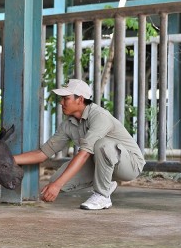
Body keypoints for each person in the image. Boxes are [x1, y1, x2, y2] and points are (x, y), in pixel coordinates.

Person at [14, 79, 145, 210]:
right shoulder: (68, 124)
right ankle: (107, 183)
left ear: (80, 99)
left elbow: (83, 154)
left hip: (130, 165)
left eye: (66, 98)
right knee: (56, 179)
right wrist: (9, 159)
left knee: (101, 145)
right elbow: (42, 154)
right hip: (101, 161)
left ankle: (102, 195)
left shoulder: (99, 116)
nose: (61, 102)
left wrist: (57, 186)